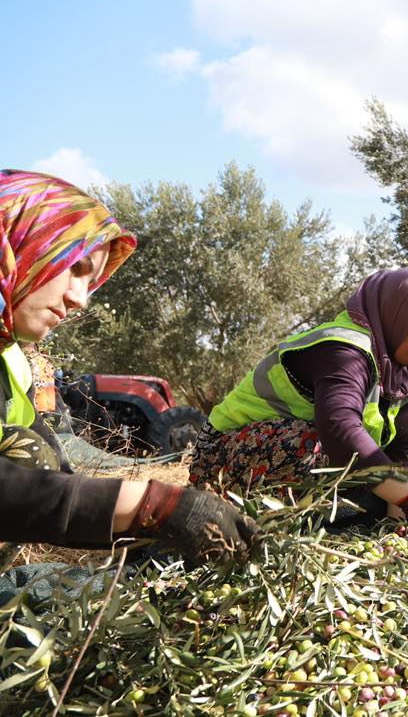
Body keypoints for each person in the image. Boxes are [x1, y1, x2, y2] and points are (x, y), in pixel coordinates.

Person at [0, 170, 258, 566]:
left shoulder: (12, 361)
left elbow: (51, 482)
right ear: (21, 241)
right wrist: (154, 505)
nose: (80, 300)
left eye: (93, 282)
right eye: (76, 267)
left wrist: (141, 532)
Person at [190, 268, 408, 524]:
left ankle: (357, 499)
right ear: (394, 313)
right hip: (226, 456)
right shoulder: (343, 349)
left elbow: (407, 441)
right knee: (306, 441)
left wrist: (397, 504)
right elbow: (340, 430)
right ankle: (293, 515)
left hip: (317, 462)